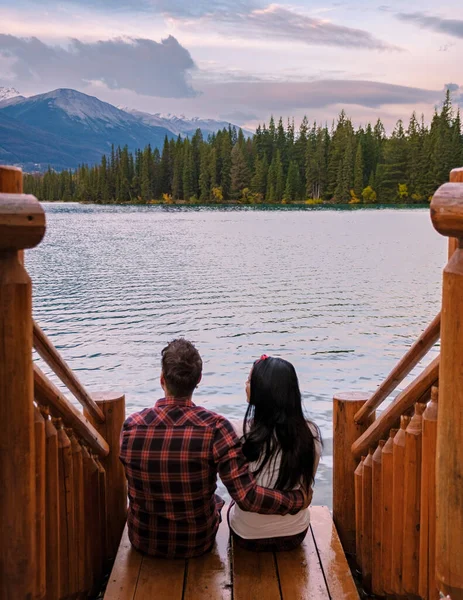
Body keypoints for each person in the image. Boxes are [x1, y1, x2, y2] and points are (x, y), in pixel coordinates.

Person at [120, 339, 310, 559]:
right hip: (196, 542)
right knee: (217, 500)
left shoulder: (131, 427)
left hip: (144, 540)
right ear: (198, 379)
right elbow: (246, 497)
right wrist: (297, 499)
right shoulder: (216, 428)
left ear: (162, 380)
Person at [228, 355, 322, 551]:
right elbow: (306, 485)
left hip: (247, 536)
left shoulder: (239, 433)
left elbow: (242, 494)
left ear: (260, 391)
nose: (245, 384)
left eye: (249, 380)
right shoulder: (310, 434)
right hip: (294, 535)